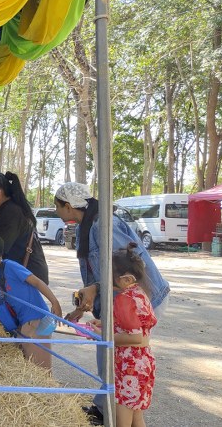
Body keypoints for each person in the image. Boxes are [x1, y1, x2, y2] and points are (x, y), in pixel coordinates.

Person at [53, 182, 169, 423]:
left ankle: (110, 410)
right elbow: (103, 274)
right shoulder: (87, 226)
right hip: (118, 300)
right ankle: (106, 407)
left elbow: (123, 269)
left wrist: (106, 327)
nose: (56, 211)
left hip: (139, 300)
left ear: (68, 206)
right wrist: (84, 305)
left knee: (114, 360)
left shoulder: (103, 225)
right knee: (111, 360)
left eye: (57, 206)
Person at [0, 232, 62, 371]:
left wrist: (55, 302)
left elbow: (36, 282)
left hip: (36, 321)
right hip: (24, 324)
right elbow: (3, 308)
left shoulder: (10, 266)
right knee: (29, 366)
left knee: (41, 370)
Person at [90, 244, 157, 427]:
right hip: (143, 362)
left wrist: (104, 335)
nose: (106, 281)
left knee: (123, 420)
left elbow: (134, 337)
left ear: (126, 279)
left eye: (109, 276)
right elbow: (133, 325)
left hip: (130, 368)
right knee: (137, 418)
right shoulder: (139, 294)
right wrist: (104, 323)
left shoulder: (124, 298)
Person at [0, 171, 49, 284]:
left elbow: (2, 246)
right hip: (24, 273)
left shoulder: (11, 211)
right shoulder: (7, 208)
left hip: (29, 275)